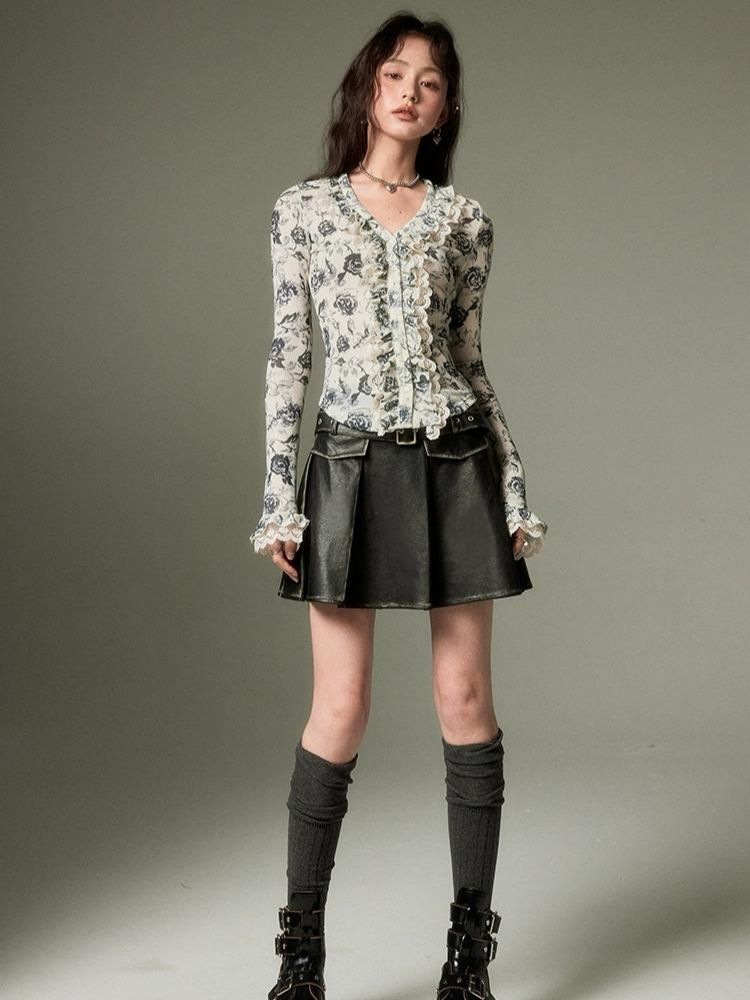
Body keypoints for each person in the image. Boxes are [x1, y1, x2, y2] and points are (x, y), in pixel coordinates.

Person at [249, 12, 548, 1000]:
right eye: (394, 73)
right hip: (347, 461)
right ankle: (301, 958)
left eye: (430, 80)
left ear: (445, 107)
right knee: (339, 707)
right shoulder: (303, 210)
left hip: (456, 460)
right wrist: (278, 500)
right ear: (367, 88)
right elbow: (289, 359)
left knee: (465, 702)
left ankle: (470, 955)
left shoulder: (465, 222)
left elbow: (471, 363)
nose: (410, 91)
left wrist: (513, 483)